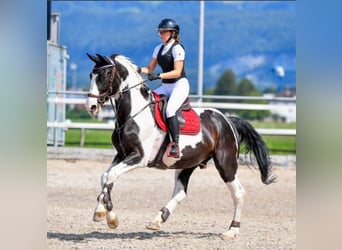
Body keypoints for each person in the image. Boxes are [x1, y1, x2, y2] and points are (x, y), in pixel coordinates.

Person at [138, 18, 190, 158]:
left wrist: (159, 75)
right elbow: (149, 69)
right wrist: (135, 69)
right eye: (160, 32)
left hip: (179, 85)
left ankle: (175, 145)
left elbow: (177, 72)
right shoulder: (158, 48)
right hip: (166, 86)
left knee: (170, 110)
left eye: (164, 32)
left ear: (173, 33)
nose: (161, 34)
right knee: (148, 102)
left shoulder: (177, 48)